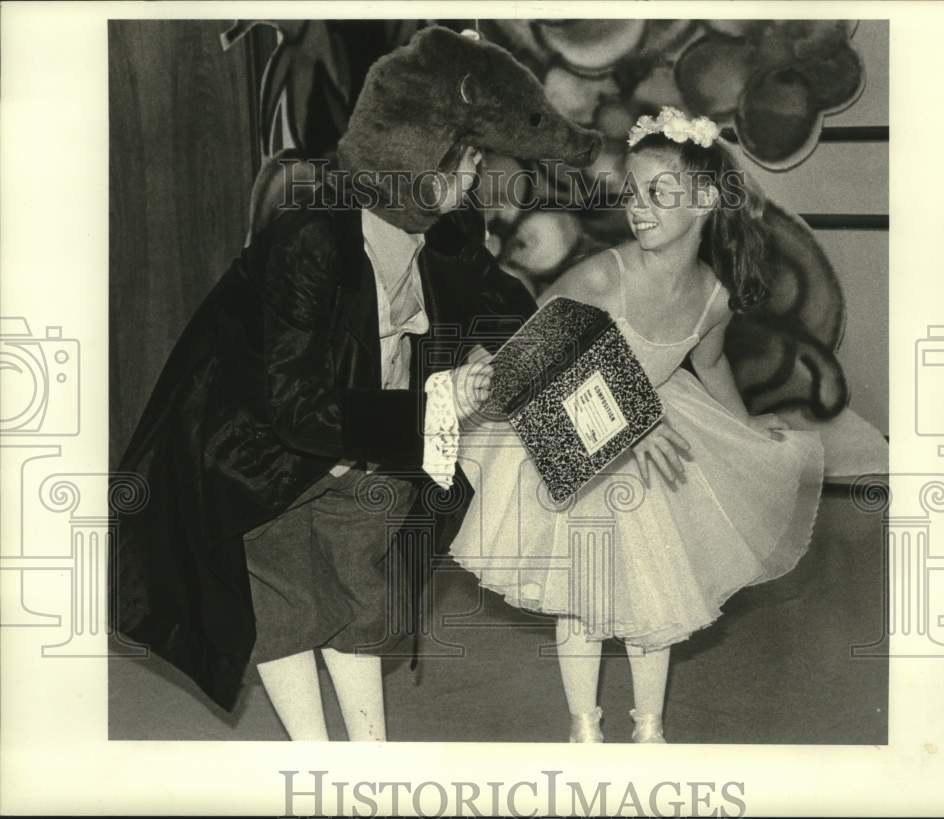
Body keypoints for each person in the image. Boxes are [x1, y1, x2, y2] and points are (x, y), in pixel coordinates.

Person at [111, 25, 601, 741]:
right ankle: (315, 758)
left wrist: (596, 429)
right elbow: (292, 406)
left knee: (363, 599)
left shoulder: (446, 230)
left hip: (371, 455)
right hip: (265, 461)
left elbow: (510, 316)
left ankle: (366, 755)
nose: (473, 181)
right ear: (426, 165)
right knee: (286, 607)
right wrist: (438, 404)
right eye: (466, 164)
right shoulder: (308, 238)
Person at [448, 106, 824, 743]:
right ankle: (584, 730)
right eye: (633, 193)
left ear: (704, 200)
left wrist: (746, 430)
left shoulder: (713, 297)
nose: (639, 208)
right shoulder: (600, 278)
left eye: (659, 193)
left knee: (657, 588)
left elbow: (708, 365)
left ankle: (649, 731)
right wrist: (626, 424)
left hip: (652, 431)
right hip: (567, 426)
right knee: (584, 590)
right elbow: (528, 371)